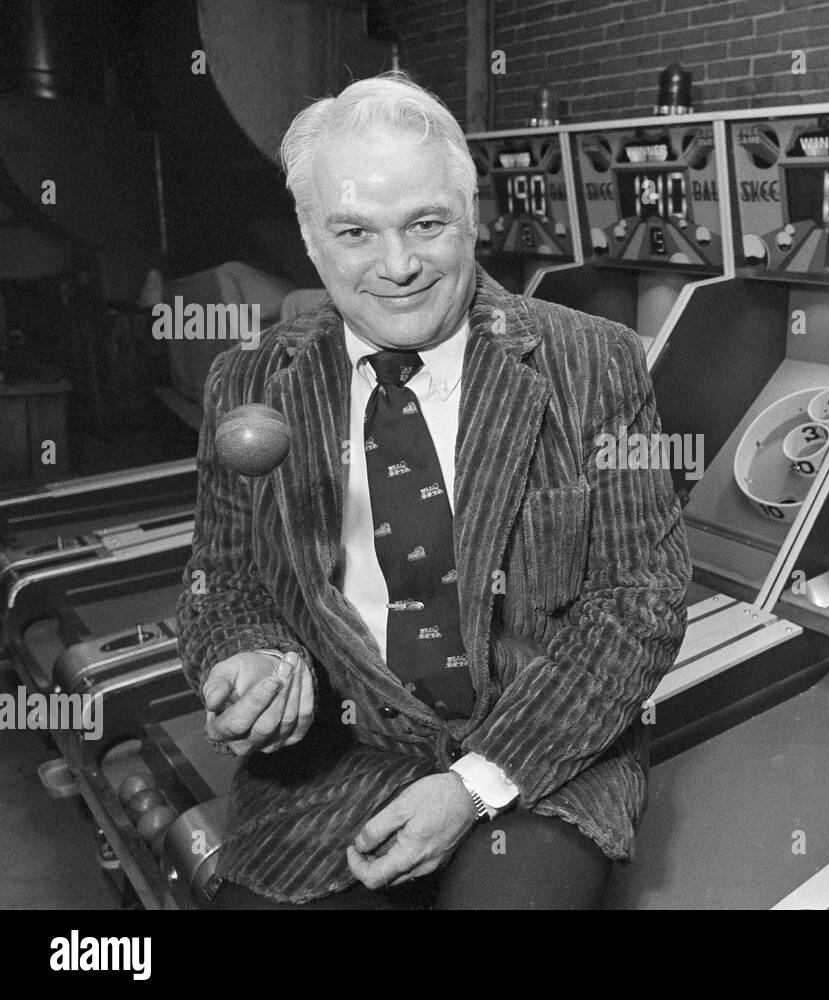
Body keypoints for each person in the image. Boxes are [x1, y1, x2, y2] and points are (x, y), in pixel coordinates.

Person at [176, 72, 690, 909]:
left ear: (473, 217)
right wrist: (250, 658)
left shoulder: (596, 362)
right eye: (355, 232)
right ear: (310, 239)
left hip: (540, 746)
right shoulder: (250, 382)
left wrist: (475, 785)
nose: (399, 266)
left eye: (426, 223)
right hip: (341, 752)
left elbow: (642, 598)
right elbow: (220, 581)